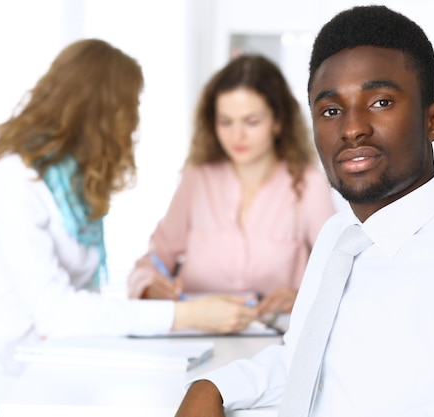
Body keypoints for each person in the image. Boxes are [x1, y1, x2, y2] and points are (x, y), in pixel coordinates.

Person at [174, 5, 434, 417]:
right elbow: (307, 364)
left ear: (433, 120)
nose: (351, 127)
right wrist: (213, 386)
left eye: (380, 101)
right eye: (330, 110)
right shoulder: (339, 236)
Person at [0, 38, 258, 416]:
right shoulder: (12, 180)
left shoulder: (74, 184)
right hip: (4, 389)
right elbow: (58, 313)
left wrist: (149, 297)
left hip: (58, 371)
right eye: (128, 109)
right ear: (98, 112)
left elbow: (84, 300)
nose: (133, 124)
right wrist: (188, 315)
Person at [128, 54, 336, 315]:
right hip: (196, 335)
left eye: (252, 122)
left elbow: (338, 273)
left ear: (278, 121)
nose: (237, 135)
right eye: (225, 122)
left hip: (275, 342)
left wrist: (303, 297)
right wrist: (150, 286)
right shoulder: (197, 179)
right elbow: (152, 262)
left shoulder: (308, 184)